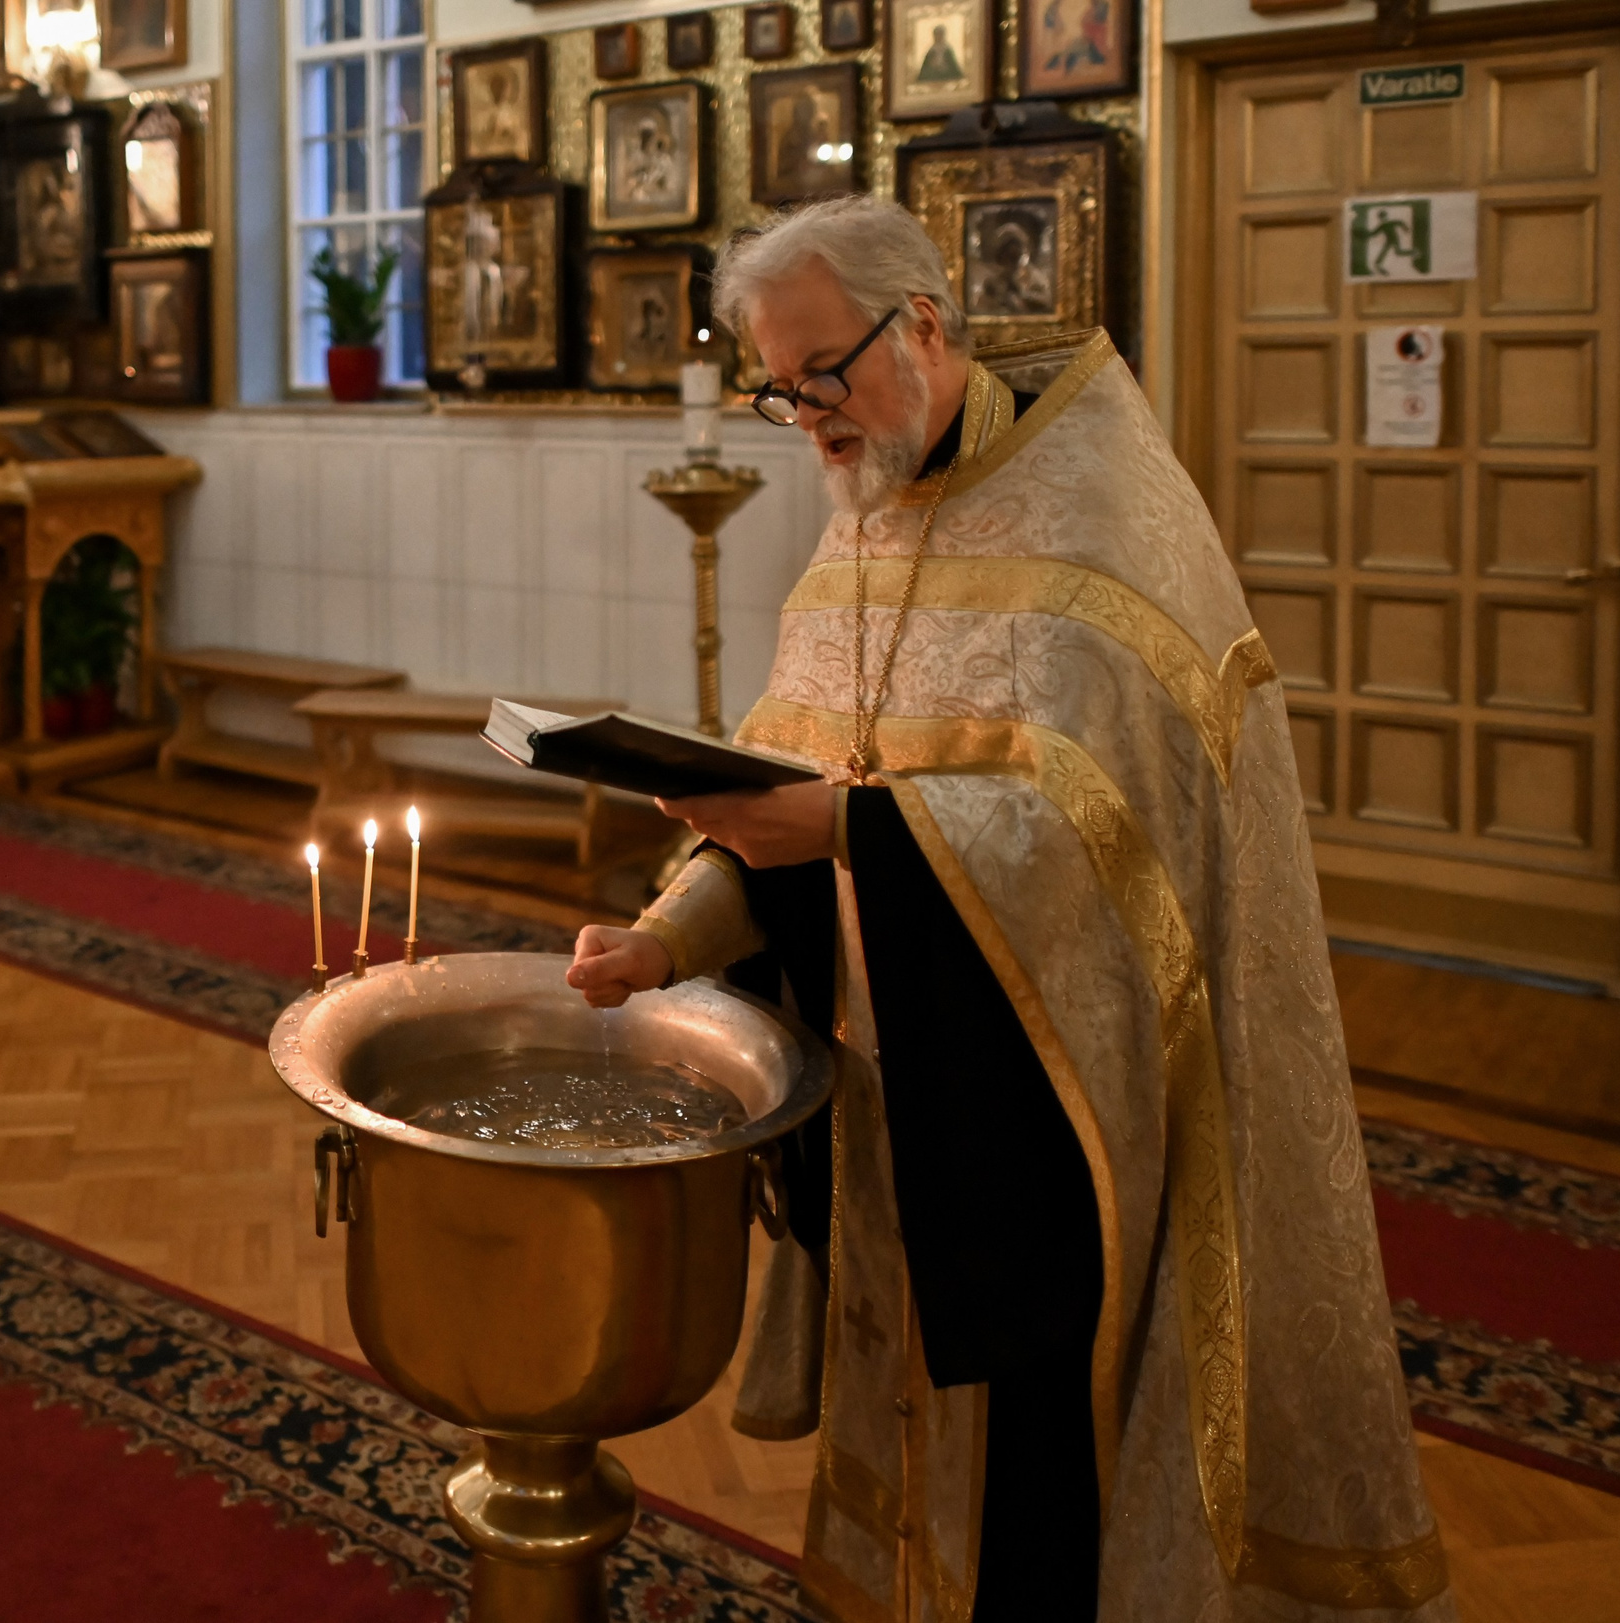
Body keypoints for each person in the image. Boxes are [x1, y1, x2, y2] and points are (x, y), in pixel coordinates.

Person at [565, 195, 1451, 1623]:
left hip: (1049, 1124)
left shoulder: (1105, 517)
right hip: (883, 1098)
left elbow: (1113, 852)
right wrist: (673, 935)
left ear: (921, 327)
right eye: (775, 387)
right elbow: (786, 785)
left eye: (820, 374)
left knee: (1041, 1492)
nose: (803, 417)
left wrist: (843, 826)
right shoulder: (863, 519)